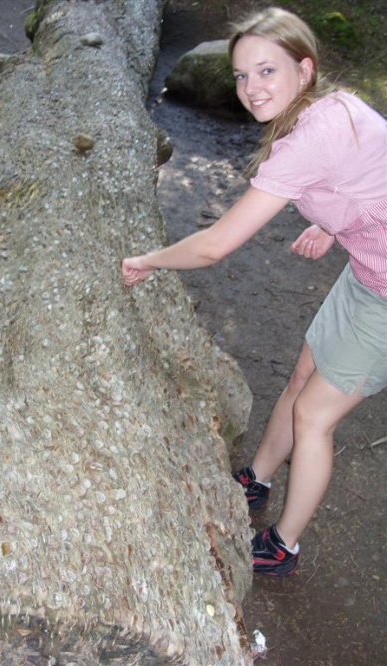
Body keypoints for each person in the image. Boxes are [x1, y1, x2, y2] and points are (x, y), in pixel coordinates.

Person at [121, 7, 387, 576]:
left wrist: (148, 260)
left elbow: (216, 245)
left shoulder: (314, 134)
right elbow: (370, 172)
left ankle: (284, 545)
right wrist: (335, 221)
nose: (251, 88)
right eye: (241, 75)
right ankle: (257, 480)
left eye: (266, 71)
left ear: (304, 69)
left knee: (316, 415)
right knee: (300, 376)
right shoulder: (332, 110)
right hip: (367, 272)